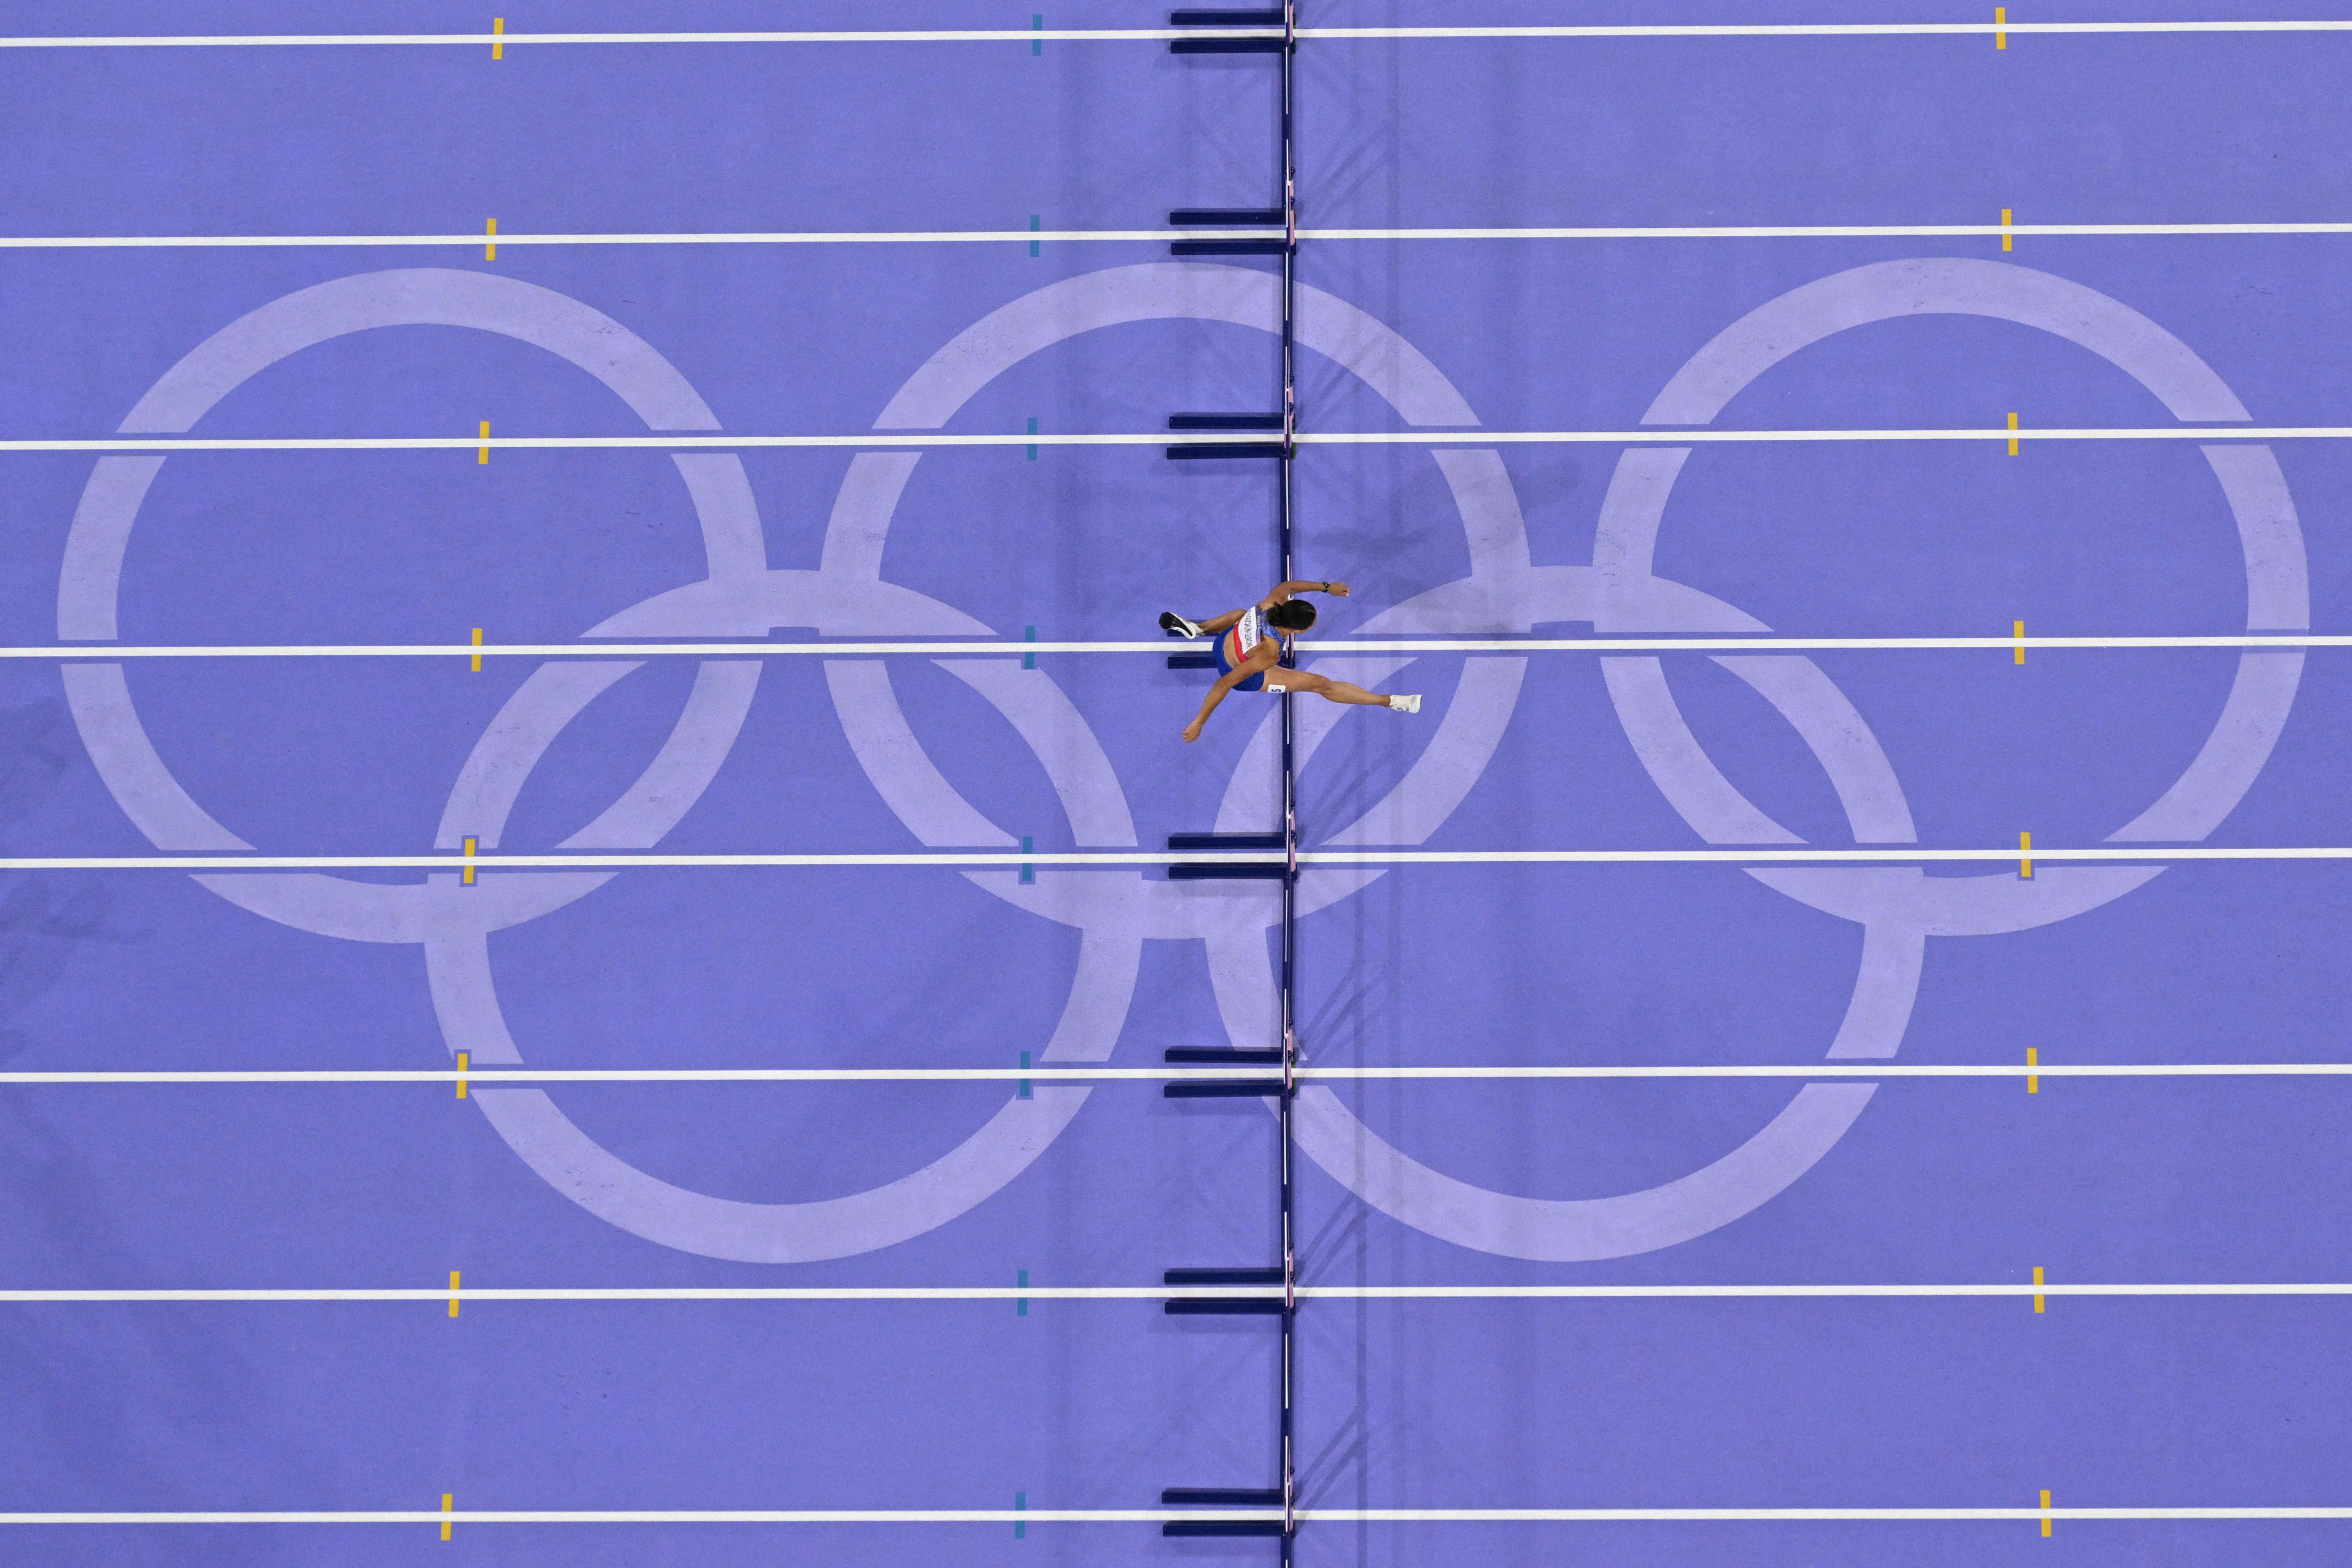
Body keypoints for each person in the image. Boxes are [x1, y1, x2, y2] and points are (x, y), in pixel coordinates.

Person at [1161, 580, 1420, 742]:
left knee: (1241, 614)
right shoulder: (1270, 653)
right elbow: (1225, 683)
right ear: (1297, 631)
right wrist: (1199, 723)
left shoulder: (1271, 602)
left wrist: (1327, 588)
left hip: (1224, 642)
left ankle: (1200, 629)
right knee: (1321, 684)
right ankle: (1391, 702)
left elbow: (1288, 586)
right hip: (1240, 670)